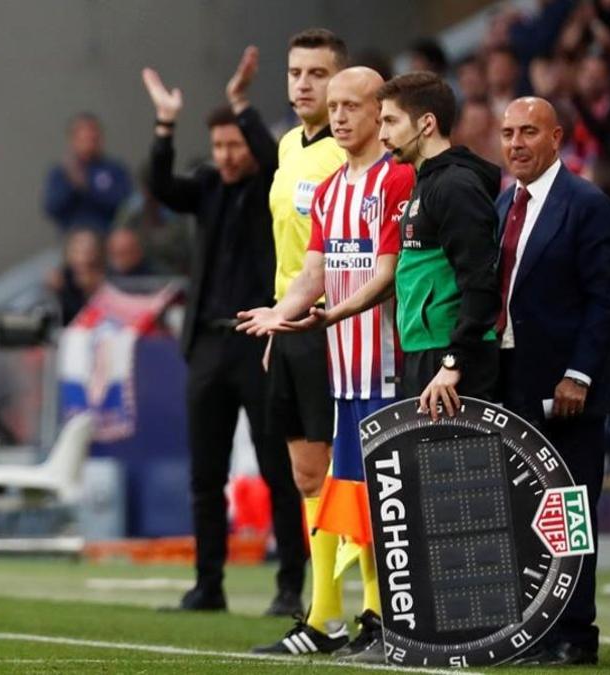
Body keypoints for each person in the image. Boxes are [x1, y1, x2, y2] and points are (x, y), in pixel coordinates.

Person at [239, 67, 414, 660]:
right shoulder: (334, 188)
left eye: (351, 105)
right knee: (358, 499)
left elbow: (389, 273)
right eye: (332, 106)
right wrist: (279, 311)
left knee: (388, 498)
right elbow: (312, 271)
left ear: (379, 111)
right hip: (346, 371)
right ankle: (356, 618)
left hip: (391, 365)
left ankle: (389, 618)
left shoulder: (397, 181)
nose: (338, 116)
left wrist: (328, 313)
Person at [142, 45, 305, 617]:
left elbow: (273, 159)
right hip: (209, 343)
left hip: (260, 341)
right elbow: (160, 185)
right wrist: (165, 124)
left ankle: (290, 588)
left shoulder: (273, 187)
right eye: (218, 147)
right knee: (205, 473)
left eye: (234, 145)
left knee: (276, 468)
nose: (226, 156)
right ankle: (207, 585)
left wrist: (244, 109)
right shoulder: (207, 188)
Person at [495, 97, 610, 666]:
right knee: (524, 512)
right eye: (507, 133)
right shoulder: (503, 204)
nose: (516, 142)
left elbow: (605, 300)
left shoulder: (586, 204)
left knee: (568, 511)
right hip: (514, 382)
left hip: (568, 390)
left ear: (556, 139)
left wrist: (579, 374)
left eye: (528, 132)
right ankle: (534, 628)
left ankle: (574, 634)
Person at [255, 28, 349, 625]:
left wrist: (293, 315)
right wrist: (275, 322)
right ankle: (325, 607)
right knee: (305, 472)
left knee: (347, 471)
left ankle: (355, 606)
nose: (303, 84)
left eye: (316, 73)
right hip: (286, 323)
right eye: (295, 73)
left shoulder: (350, 152)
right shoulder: (289, 145)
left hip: (333, 324)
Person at [376, 71, 501, 416]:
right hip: (425, 352)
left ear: (427, 123)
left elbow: (480, 281)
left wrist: (453, 361)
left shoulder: (455, 186)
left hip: (452, 362)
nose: (382, 134)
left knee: (461, 471)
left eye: (390, 121)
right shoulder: (426, 182)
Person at [42, 113, 132, 234]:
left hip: (108, 236)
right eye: (83, 138)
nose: (89, 141)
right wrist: (72, 185)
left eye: (93, 137)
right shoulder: (61, 172)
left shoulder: (114, 169)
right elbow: (52, 209)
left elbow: (124, 204)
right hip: (72, 239)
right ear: (72, 140)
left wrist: (85, 184)